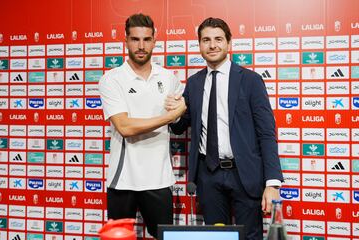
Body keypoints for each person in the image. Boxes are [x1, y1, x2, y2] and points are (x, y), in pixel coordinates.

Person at [167, 17, 283, 239]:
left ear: (229, 43)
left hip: (245, 175)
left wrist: (273, 182)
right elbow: (181, 126)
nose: (212, 45)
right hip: (208, 175)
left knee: (250, 236)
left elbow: (266, 133)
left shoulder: (251, 80)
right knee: (216, 236)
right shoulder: (193, 83)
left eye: (218, 39)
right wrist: (173, 113)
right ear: (199, 44)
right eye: (206, 40)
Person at [99, 13, 186, 239]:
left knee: (164, 237)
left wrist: (179, 112)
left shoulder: (168, 78)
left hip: (159, 179)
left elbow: (178, 122)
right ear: (126, 41)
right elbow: (125, 127)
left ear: (154, 41)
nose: (141, 46)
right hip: (123, 180)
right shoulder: (112, 79)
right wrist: (169, 117)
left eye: (146, 39)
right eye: (135, 39)